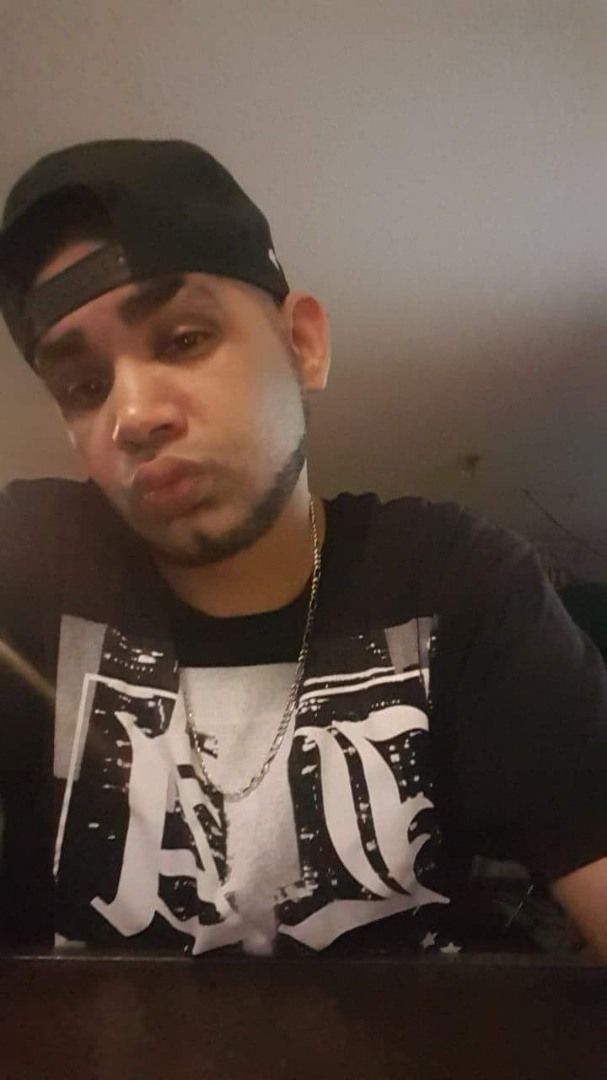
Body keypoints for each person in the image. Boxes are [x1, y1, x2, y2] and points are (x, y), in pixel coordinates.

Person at [0, 139, 605, 959]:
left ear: (304, 344)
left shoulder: (456, 581)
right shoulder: (30, 565)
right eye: (84, 387)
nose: (132, 415)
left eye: (183, 339)